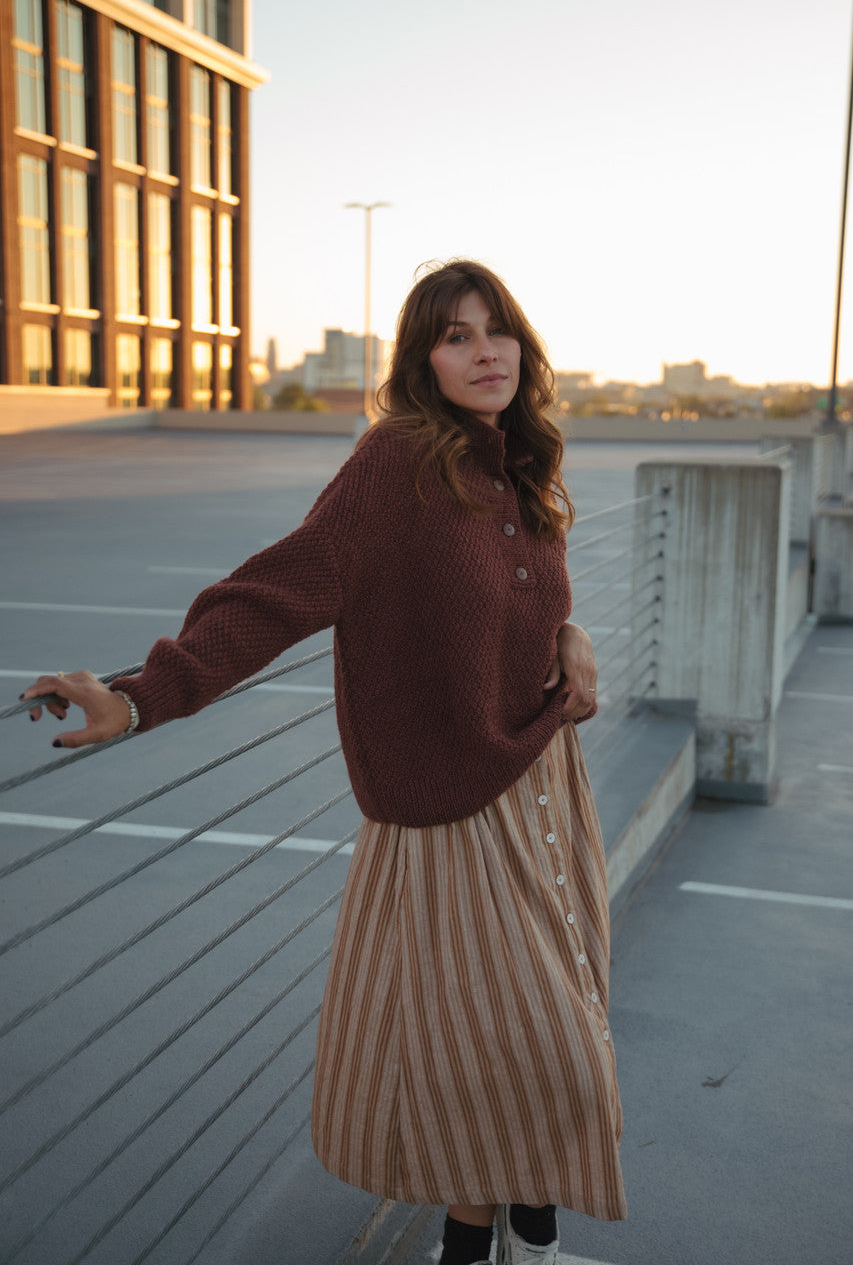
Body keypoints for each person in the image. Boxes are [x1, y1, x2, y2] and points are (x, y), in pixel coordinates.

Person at [23, 260, 626, 1265]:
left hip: (542, 784)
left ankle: (506, 1241)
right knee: (536, 1050)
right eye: (454, 335)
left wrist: (570, 638)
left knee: (525, 1036)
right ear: (420, 361)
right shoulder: (398, 463)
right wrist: (138, 697)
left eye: (496, 330)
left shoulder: (515, 463)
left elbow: (516, 594)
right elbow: (280, 590)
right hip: (448, 810)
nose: (483, 351)